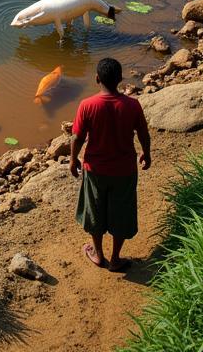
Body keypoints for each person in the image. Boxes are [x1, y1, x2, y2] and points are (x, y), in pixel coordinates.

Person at [69, 57, 151, 272]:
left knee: (95, 210)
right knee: (121, 212)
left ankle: (98, 254)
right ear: (120, 79)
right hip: (124, 170)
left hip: (95, 170)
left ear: (97, 79)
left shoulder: (87, 105)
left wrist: (72, 159)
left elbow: (77, 137)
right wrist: (146, 153)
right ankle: (115, 258)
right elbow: (143, 132)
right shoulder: (132, 105)